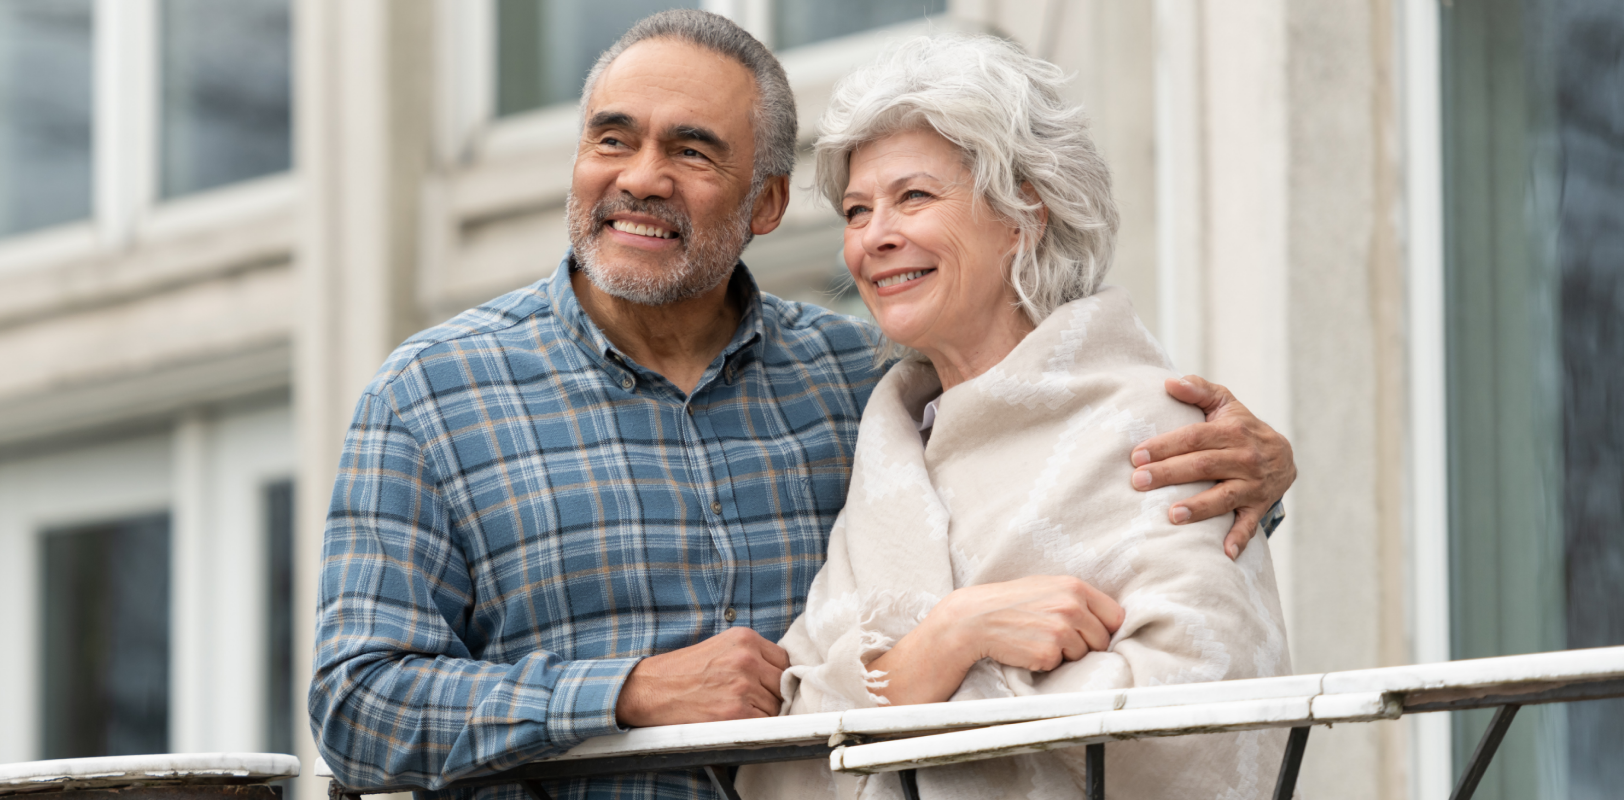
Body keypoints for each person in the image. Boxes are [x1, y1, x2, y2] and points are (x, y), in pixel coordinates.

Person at [309, 11, 1296, 799]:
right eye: (611, 138)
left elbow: (1060, 477)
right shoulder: (429, 396)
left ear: (766, 206)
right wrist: (626, 692)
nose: (639, 176)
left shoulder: (854, 382)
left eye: (692, 151)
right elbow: (356, 705)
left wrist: (1261, 474)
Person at [734, 35, 1290, 800]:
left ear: (1026, 209)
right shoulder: (891, 457)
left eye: (914, 197)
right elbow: (777, 765)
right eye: (858, 210)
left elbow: (1205, 727)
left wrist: (903, 695)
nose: (872, 237)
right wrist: (951, 638)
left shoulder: (1157, 428)